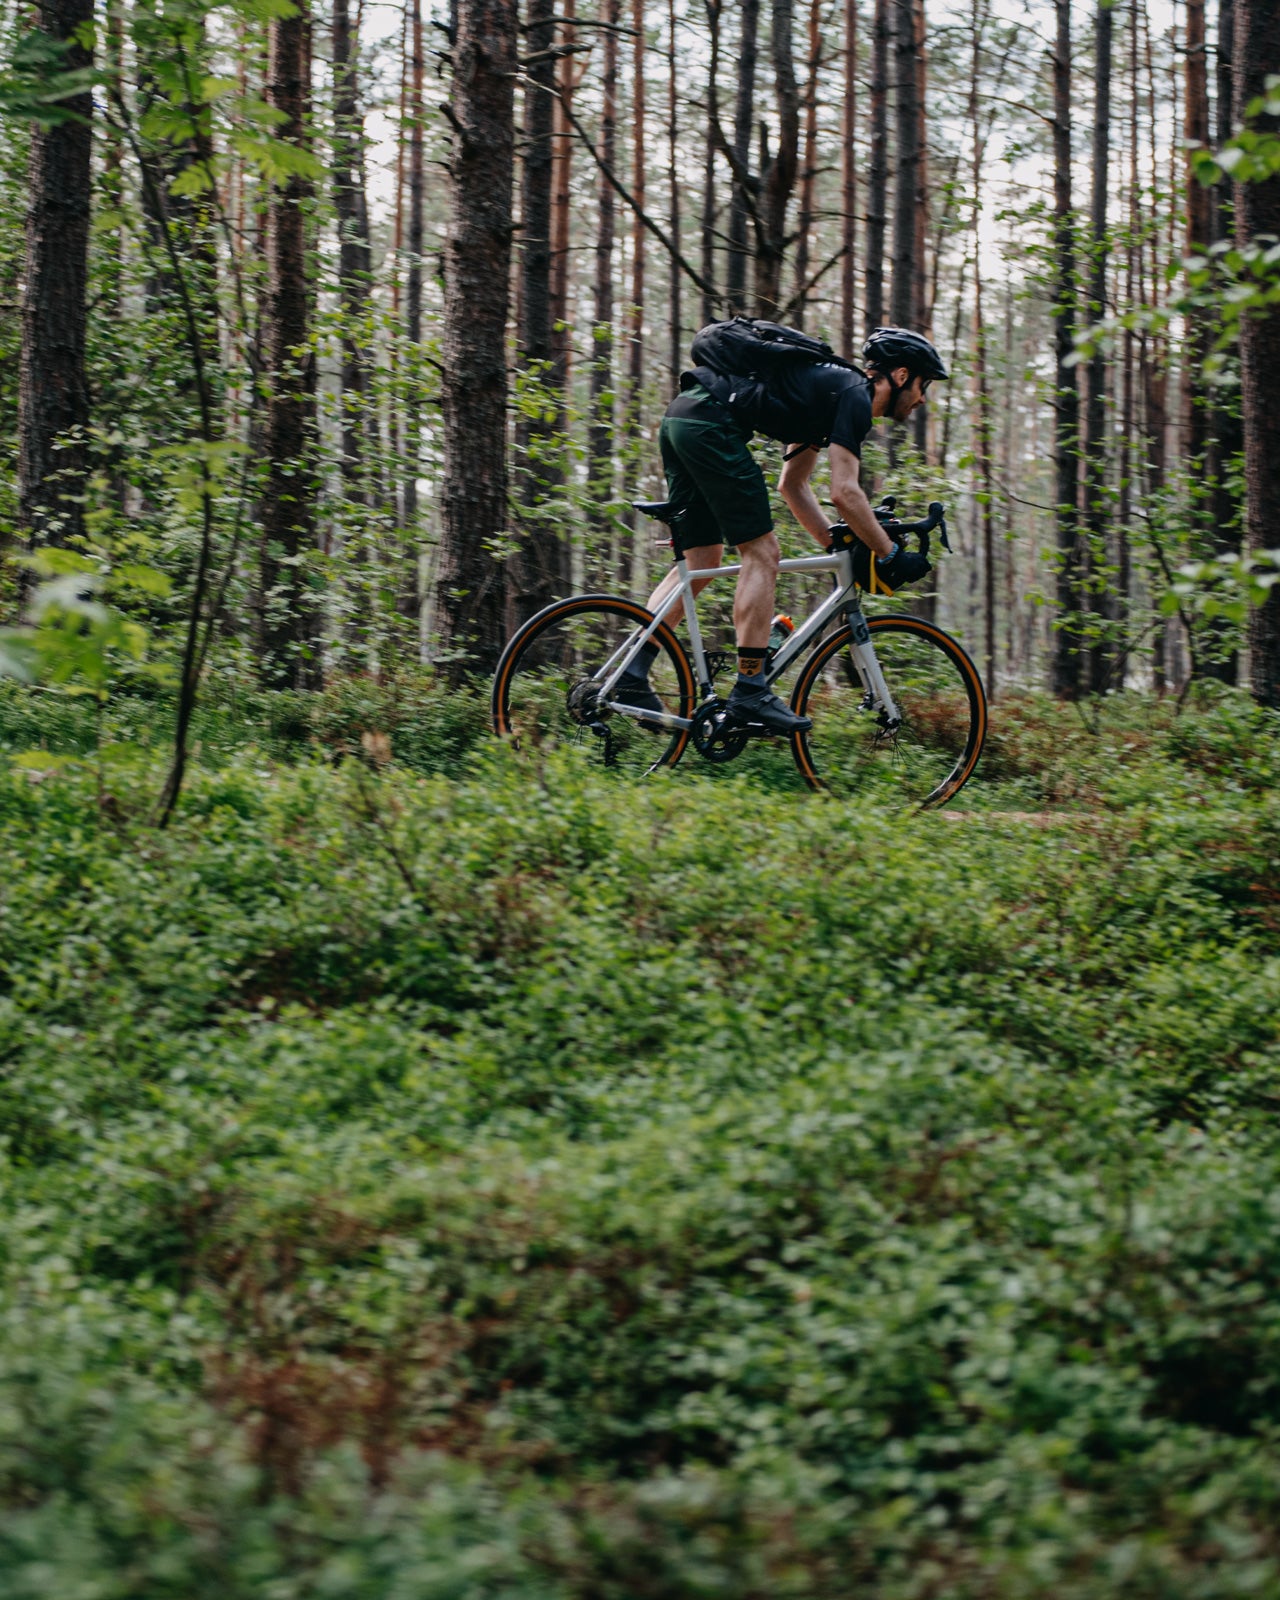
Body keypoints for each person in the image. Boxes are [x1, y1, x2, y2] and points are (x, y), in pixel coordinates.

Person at [618, 325, 950, 735]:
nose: (921, 399)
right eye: (923, 385)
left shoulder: (827, 393)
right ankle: (750, 690)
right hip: (711, 426)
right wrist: (890, 555)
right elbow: (845, 492)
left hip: (683, 418)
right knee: (762, 554)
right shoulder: (853, 395)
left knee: (702, 557)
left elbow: (792, 485)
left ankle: (631, 675)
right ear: (901, 376)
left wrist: (836, 542)